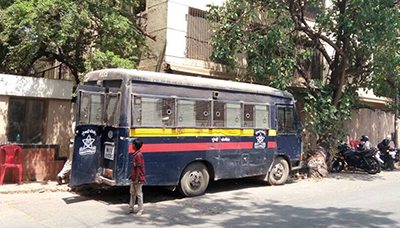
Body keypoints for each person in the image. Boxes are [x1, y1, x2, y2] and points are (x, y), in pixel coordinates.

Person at [127, 138, 145, 216]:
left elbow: (138, 167)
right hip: (135, 177)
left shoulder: (138, 155)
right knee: (132, 192)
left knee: (138, 194)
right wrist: (132, 176)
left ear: (134, 146)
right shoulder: (136, 154)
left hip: (138, 178)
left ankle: (140, 209)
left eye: (132, 144)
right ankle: (131, 208)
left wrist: (137, 179)